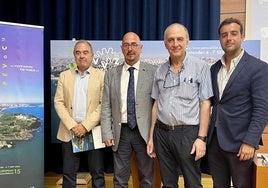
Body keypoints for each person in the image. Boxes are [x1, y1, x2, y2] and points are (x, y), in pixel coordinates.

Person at [147, 23, 213, 188]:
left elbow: (205, 104)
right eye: (171, 40)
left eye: (179, 39)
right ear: (165, 44)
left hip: (188, 134)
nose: (175, 44)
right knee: (168, 183)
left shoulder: (201, 67)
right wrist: (151, 137)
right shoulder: (160, 71)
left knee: (192, 182)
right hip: (161, 133)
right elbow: (156, 104)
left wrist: (201, 138)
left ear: (187, 42)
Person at [207, 17, 268, 188]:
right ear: (220, 39)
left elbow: (262, 109)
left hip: (241, 144)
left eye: (234, 34)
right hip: (215, 143)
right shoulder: (214, 69)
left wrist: (250, 142)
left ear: (242, 36)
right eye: (224, 35)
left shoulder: (258, 67)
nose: (229, 38)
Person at [101, 32, 157, 188]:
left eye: (134, 45)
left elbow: (158, 105)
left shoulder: (153, 72)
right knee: (119, 178)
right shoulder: (111, 73)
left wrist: (154, 134)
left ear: (140, 47)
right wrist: (107, 132)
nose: (130, 49)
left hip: (144, 133)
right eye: (126, 45)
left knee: (147, 177)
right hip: (121, 132)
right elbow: (106, 105)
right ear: (121, 48)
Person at [54, 40, 105, 188]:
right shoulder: (64, 75)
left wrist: (85, 126)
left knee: (98, 173)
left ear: (92, 55)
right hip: (69, 131)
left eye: (85, 52)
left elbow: (103, 105)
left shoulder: (102, 75)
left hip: (93, 130)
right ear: (74, 56)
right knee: (68, 173)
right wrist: (73, 126)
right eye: (78, 52)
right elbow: (58, 102)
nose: (82, 56)